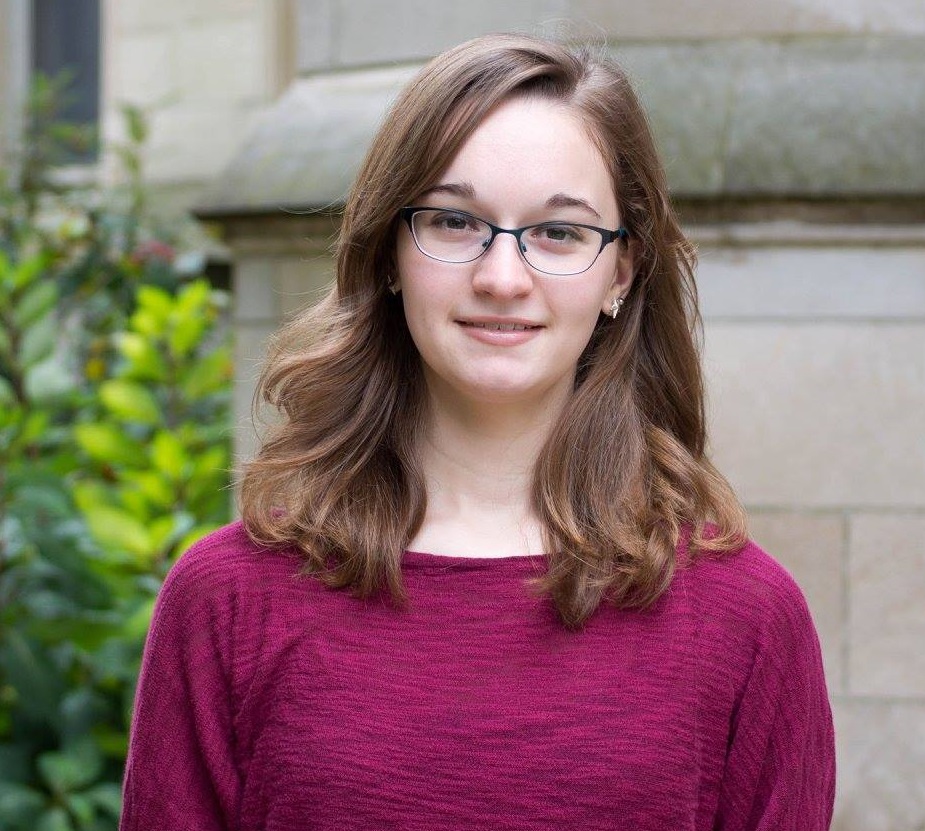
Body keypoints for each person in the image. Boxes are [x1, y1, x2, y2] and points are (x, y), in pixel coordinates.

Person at [119, 33, 835, 831]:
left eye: (559, 232)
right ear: (388, 252)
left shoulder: (746, 619)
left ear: (621, 272)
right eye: (454, 222)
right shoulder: (227, 601)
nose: (501, 277)